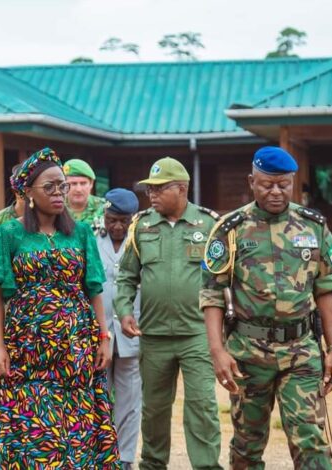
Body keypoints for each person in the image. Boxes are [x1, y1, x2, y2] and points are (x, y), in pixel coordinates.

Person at [0, 147, 119, 468]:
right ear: (28, 192)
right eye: (49, 187)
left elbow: (93, 287)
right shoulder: (7, 235)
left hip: (76, 347)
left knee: (77, 426)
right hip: (27, 349)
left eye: (62, 186)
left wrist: (103, 337)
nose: (59, 193)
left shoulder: (79, 234)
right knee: (31, 427)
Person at [201, 146, 332, 469]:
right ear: (252, 181)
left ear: (293, 182)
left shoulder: (313, 226)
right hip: (248, 353)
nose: (276, 192)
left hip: (301, 351)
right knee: (247, 446)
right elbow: (212, 293)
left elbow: (326, 288)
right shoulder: (230, 229)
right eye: (267, 184)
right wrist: (217, 351)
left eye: (284, 184)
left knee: (311, 440)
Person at [114, 157, 222, 470]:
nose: (153, 195)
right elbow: (126, 278)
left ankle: (206, 466)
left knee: (202, 405)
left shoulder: (208, 224)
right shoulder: (142, 225)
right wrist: (123, 311)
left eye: (160, 189)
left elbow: (225, 278)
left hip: (197, 334)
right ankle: (152, 464)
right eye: (150, 189)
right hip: (154, 335)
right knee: (155, 409)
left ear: (182, 188)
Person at [98, 188, 142, 470]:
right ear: (104, 215)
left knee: (129, 401)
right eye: (112, 219)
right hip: (98, 333)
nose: (116, 226)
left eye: (123, 221)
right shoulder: (89, 239)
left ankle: (124, 458)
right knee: (97, 398)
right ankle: (99, 456)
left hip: (132, 331)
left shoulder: (142, 240)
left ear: (132, 219)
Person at [62, 158, 106, 229]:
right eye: (73, 184)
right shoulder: (57, 208)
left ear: (91, 184)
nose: (78, 189)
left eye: (83, 183)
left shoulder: (104, 208)